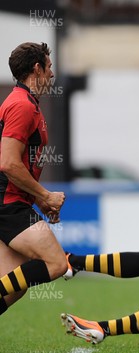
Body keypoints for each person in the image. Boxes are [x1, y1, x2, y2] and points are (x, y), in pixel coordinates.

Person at [0, 42, 67, 315]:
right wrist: (46, 195)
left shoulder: (28, 104)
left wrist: (40, 200)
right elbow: (8, 162)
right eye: (49, 67)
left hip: (14, 202)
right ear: (36, 69)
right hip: (8, 205)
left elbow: (19, 165)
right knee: (56, 263)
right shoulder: (22, 106)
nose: (52, 74)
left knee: (13, 285)